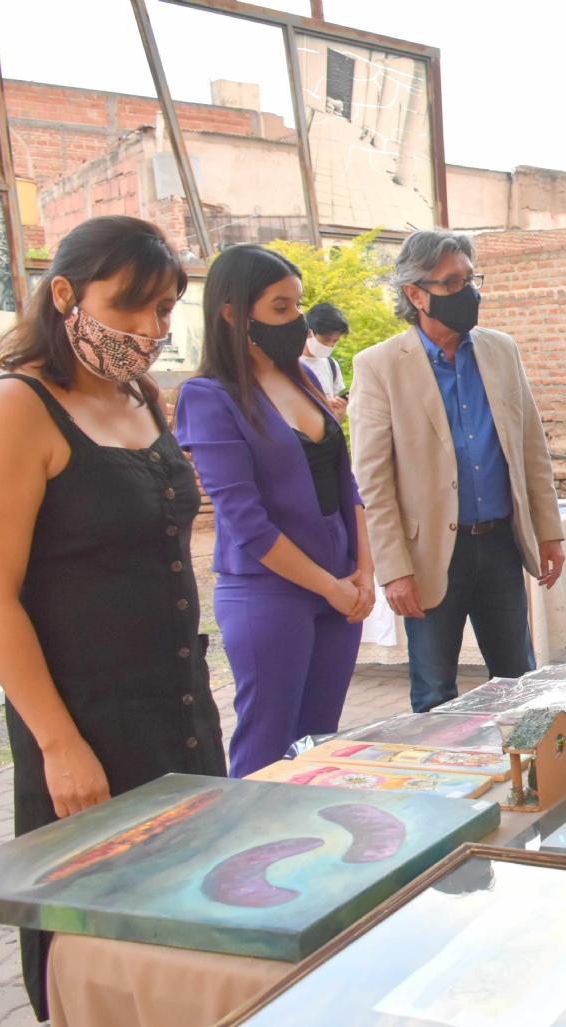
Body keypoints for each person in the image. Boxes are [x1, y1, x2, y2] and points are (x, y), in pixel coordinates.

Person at [0, 216, 226, 1019]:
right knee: (108, 939)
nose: (149, 328)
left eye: (165, 309)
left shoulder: (137, 394)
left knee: (195, 920)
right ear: (65, 296)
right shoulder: (13, 407)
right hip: (88, 721)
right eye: (130, 305)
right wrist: (58, 743)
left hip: (178, 707)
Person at [176, 245, 373, 778]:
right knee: (266, 751)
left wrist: (364, 571)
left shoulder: (304, 379)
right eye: (281, 308)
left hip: (341, 586)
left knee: (318, 748)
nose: (298, 320)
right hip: (269, 594)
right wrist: (330, 587)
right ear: (233, 313)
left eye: (298, 305)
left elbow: (347, 483)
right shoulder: (209, 397)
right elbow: (246, 522)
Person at [350, 230, 564, 713]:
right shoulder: (379, 367)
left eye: (470, 279)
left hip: (500, 544)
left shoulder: (500, 350)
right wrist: (394, 570)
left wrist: (548, 531)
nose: (467, 292)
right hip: (429, 555)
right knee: (434, 695)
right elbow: (374, 482)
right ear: (415, 294)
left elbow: (531, 449)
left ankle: (522, 760)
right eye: (451, 283)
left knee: (518, 681)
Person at [301, 302, 349, 420]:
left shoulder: (332, 366)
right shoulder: (287, 364)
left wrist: (339, 412)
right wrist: (322, 406)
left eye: (335, 341)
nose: (330, 345)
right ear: (309, 333)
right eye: (326, 340)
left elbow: (335, 421)